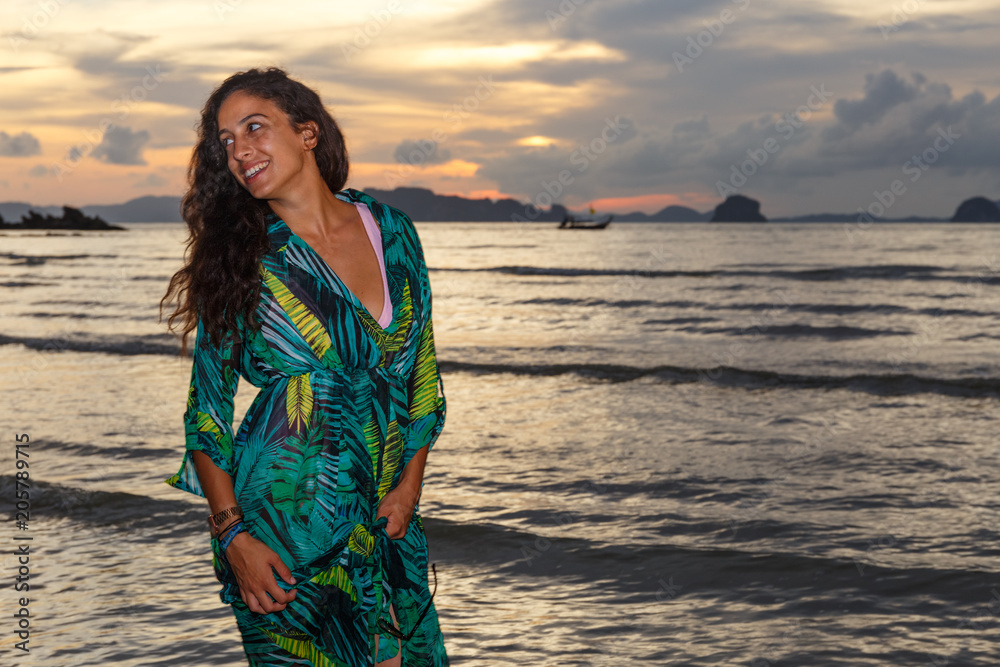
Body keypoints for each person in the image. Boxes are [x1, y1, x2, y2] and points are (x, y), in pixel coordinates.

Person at [159, 67, 448, 666]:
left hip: (383, 523)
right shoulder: (240, 258)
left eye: (254, 128)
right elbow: (206, 415)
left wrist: (408, 488)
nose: (239, 150)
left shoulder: (392, 230)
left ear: (308, 131)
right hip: (281, 535)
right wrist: (234, 536)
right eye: (226, 141)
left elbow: (422, 375)